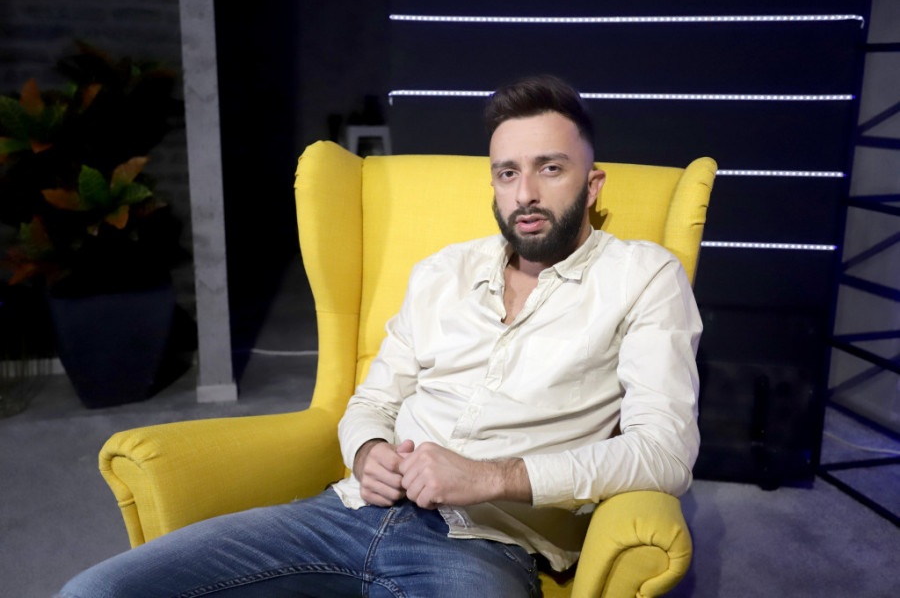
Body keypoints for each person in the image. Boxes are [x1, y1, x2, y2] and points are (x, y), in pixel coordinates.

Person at [58, 75, 702, 598]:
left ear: (592, 184)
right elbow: (371, 402)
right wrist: (367, 451)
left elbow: (666, 452)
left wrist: (493, 477)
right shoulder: (442, 272)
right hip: (342, 515)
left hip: (486, 548)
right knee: (97, 591)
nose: (525, 193)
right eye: (507, 173)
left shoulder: (643, 276)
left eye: (550, 168)